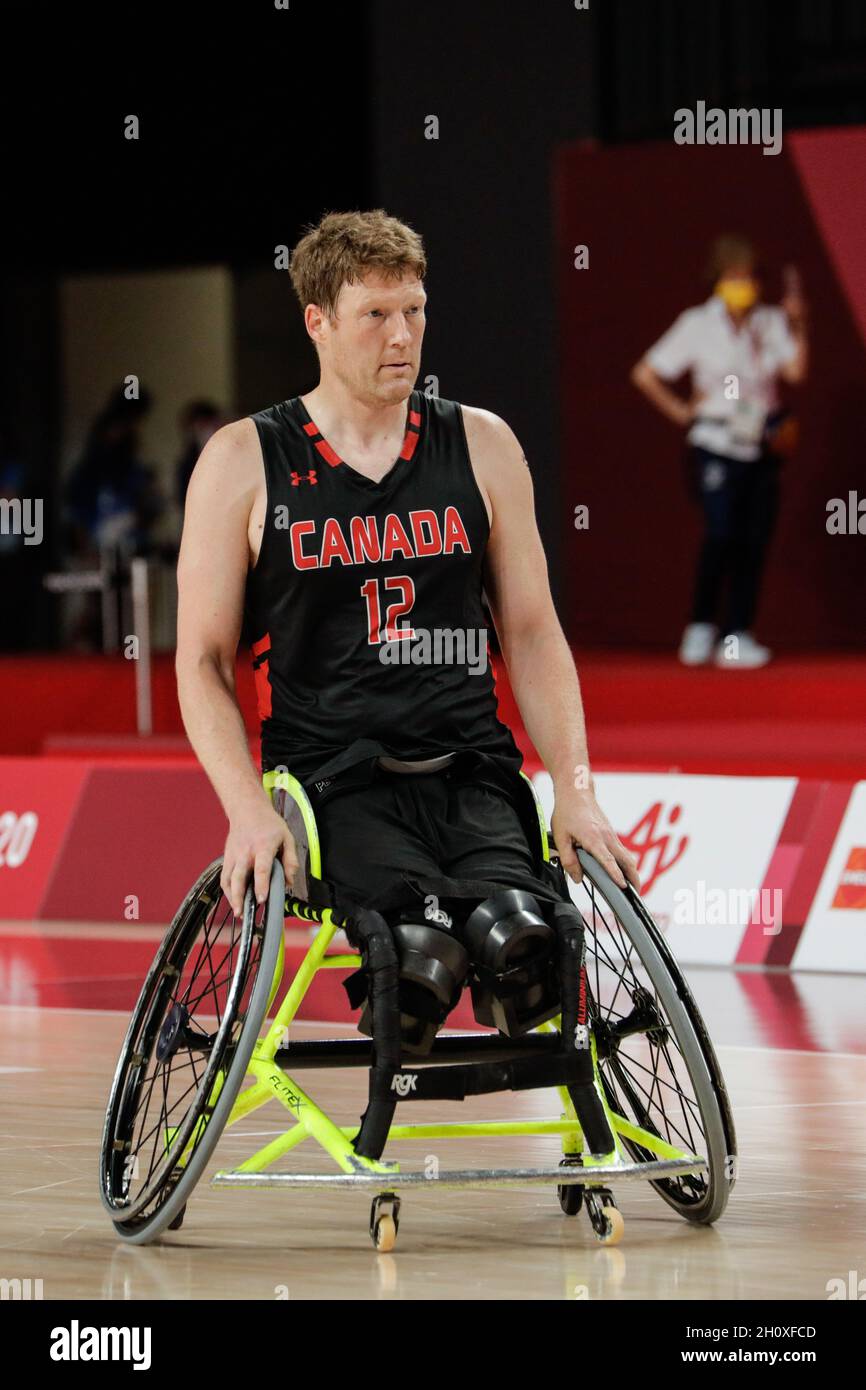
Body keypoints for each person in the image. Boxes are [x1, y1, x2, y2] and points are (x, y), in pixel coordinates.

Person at [175, 209, 639, 940]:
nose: (401, 336)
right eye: (376, 315)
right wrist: (246, 810)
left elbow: (532, 631)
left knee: (526, 946)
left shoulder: (482, 444)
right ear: (317, 323)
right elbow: (200, 660)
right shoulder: (244, 461)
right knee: (417, 958)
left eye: (415, 311)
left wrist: (577, 793)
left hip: (471, 769)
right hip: (333, 780)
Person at [631, 235, 808, 668]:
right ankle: (700, 625)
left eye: (748, 277)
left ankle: (738, 634)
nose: (741, 285)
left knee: (754, 540)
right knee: (721, 532)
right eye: (733, 277)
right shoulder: (698, 323)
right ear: (718, 280)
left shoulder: (769, 323)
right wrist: (679, 411)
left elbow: (795, 372)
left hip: (761, 443)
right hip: (714, 441)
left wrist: (799, 324)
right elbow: (646, 372)